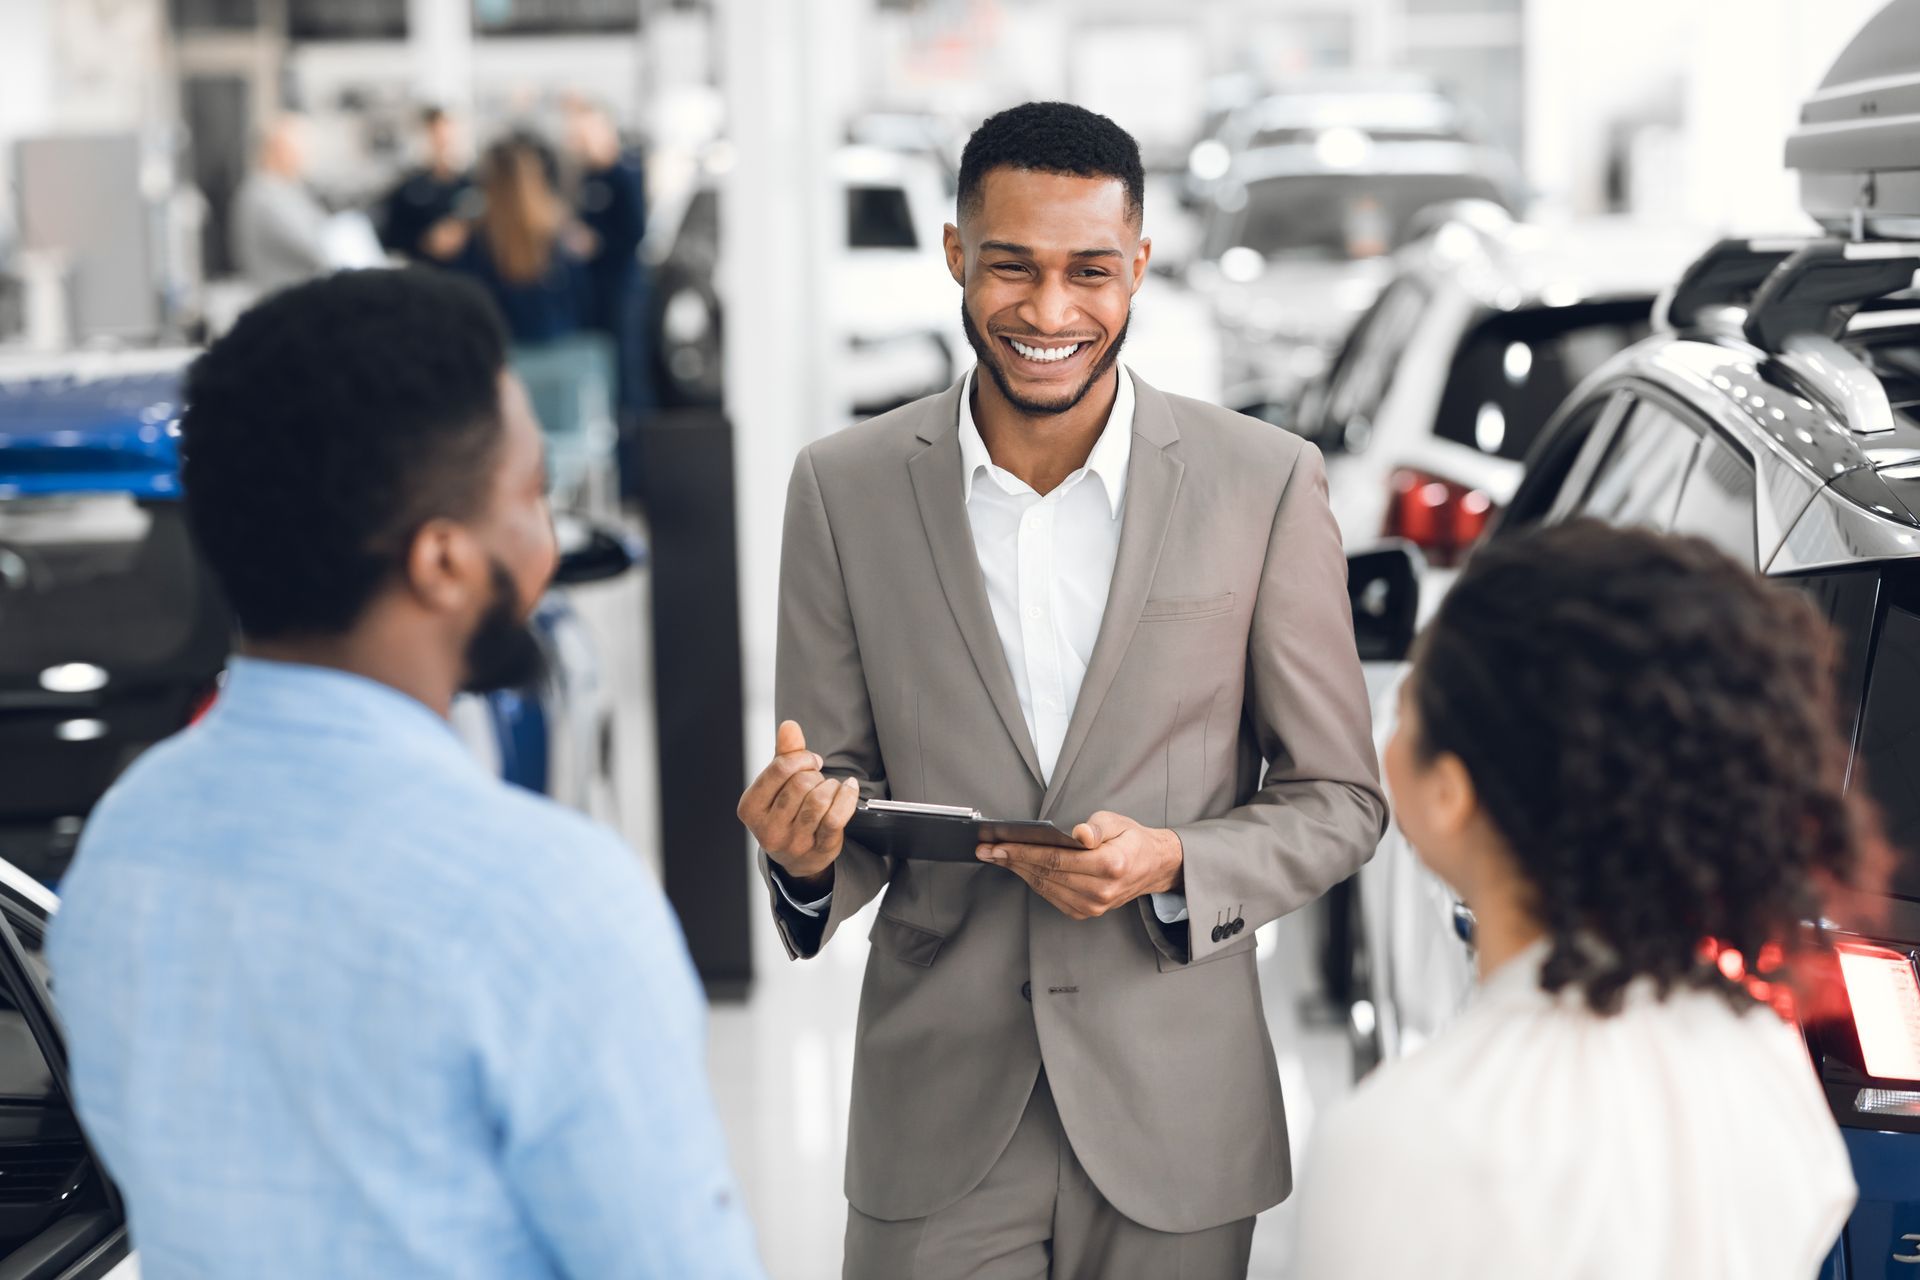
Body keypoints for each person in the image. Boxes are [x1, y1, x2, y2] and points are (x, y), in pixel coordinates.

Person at [736, 102, 1387, 1278]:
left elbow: (1340, 795)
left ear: (1139, 265)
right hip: (937, 1121)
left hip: (1175, 1115)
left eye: (1091, 270)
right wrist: (806, 852)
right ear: (954, 258)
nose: (1049, 312)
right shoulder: (844, 490)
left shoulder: (1263, 483)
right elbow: (838, 788)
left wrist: (1179, 861)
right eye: (1012, 269)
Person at [47, 269, 764, 1280]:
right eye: (530, 497)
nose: (549, 543)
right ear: (442, 560)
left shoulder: (120, 850)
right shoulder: (551, 903)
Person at [1293, 521, 1859, 1279]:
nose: (1387, 719)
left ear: (1452, 793)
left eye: (1411, 703)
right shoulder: (1762, 1058)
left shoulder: (1400, 1141)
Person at [429, 137, 593, 346]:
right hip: (559, 345)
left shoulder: (474, 239)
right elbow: (582, 299)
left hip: (502, 350)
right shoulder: (560, 233)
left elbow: (463, 300)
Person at [564, 97, 656, 417]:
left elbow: (636, 230)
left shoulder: (625, 173)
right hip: (593, 289)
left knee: (629, 375)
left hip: (623, 288)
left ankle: (637, 454)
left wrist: (598, 242)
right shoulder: (585, 178)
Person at [230, 115, 331, 293]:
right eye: (299, 150)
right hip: (282, 301)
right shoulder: (263, 195)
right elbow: (316, 248)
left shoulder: (288, 189)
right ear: (278, 151)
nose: (305, 158)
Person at [377, 106, 475, 262]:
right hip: (425, 271)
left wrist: (463, 233)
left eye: (446, 136)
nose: (442, 143)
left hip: (467, 272)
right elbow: (390, 237)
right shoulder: (406, 190)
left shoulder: (472, 185)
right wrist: (426, 241)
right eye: (435, 135)